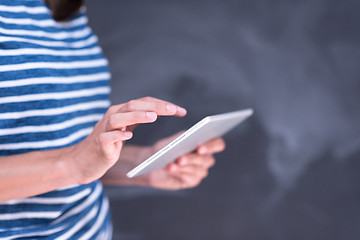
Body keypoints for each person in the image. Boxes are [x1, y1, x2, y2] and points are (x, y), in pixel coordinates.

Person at [0, 0, 225, 239]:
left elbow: (76, 153)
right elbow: (74, 161)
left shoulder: (65, 11)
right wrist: (73, 163)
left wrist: (142, 162)